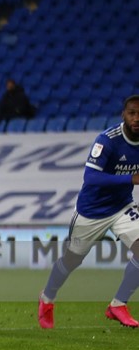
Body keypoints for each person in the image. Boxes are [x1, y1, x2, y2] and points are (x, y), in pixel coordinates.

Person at [38, 95, 139, 329]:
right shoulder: (107, 140)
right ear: (123, 115)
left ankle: (118, 304)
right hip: (91, 211)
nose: (136, 118)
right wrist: (130, 179)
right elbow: (90, 177)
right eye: (132, 113)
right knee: (72, 260)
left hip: (122, 207)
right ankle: (47, 299)